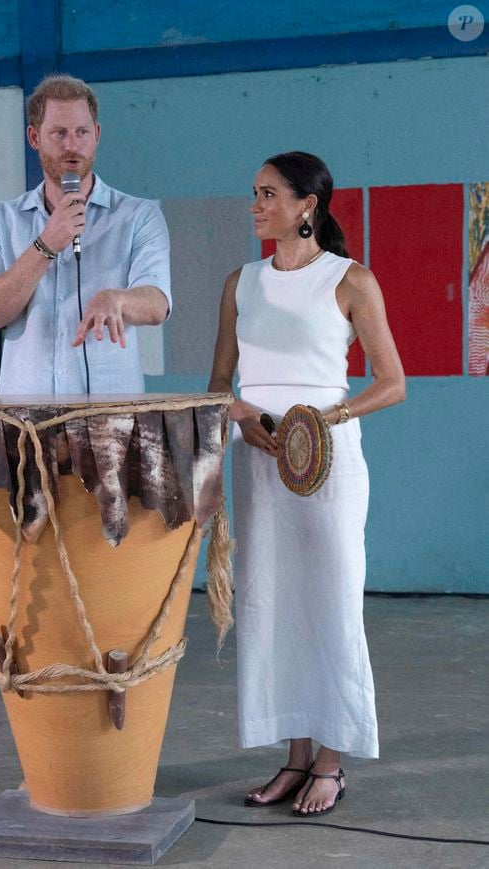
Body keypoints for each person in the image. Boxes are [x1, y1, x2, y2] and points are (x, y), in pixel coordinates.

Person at [208, 151, 405, 816]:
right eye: (254, 193)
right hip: (258, 461)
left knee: (330, 601)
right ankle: (295, 755)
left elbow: (392, 381)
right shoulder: (241, 282)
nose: (256, 205)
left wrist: (322, 419)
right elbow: (218, 387)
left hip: (327, 463)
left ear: (306, 207)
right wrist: (242, 414)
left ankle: (332, 759)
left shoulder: (350, 280)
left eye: (268, 194)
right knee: (270, 606)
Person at [0, 74, 170, 394]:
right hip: (27, 425)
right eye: (59, 133)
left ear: (97, 134)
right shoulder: (0, 220)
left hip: (110, 420)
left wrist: (116, 298)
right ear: (34, 137)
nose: (72, 145)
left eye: (82, 132)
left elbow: (158, 303)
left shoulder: (138, 216)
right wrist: (46, 244)